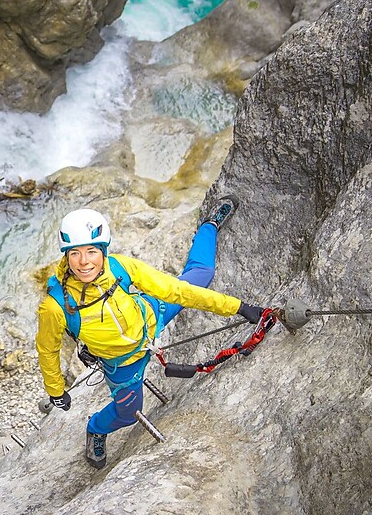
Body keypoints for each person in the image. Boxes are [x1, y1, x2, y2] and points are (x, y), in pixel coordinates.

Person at [35, 198, 267, 468]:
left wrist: (237, 307)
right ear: (66, 255)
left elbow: (175, 290)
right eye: (75, 253)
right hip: (122, 364)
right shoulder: (55, 306)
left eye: (91, 251)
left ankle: (210, 225)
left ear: (103, 250)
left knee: (201, 273)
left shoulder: (121, 267)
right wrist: (55, 390)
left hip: (151, 317)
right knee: (128, 415)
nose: (84, 262)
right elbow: (47, 350)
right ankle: (96, 429)